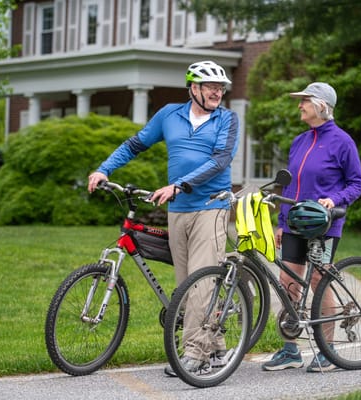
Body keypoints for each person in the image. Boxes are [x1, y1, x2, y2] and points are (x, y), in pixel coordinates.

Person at [87, 60, 240, 376]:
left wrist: (180, 185)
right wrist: (104, 168)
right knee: (186, 283)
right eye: (210, 86)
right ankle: (218, 349)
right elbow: (135, 145)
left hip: (212, 206)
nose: (217, 92)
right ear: (193, 88)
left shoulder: (227, 119)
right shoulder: (169, 114)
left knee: (201, 280)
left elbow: (220, 160)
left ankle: (194, 354)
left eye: (221, 87)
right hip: (179, 210)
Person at [261, 82, 361, 372]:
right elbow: (289, 186)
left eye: (304, 101)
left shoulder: (342, 142)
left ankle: (327, 350)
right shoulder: (299, 141)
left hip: (324, 224)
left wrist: (335, 199)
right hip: (295, 222)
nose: (300, 106)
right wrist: (281, 222)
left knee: (320, 281)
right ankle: (290, 350)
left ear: (321, 105)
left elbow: (357, 183)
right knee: (288, 283)